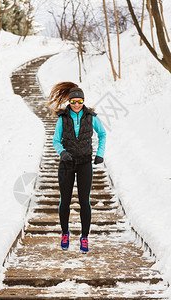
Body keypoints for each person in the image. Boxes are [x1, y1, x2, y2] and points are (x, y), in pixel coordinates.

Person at [45, 82, 106, 253]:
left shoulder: (91, 117)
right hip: (67, 164)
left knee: (84, 201)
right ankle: (65, 233)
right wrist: (61, 152)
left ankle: (84, 237)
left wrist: (100, 153)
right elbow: (55, 140)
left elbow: (102, 134)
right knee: (65, 200)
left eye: (80, 101)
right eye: (73, 102)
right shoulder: (62, 118)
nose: (77, 105)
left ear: (84, 101)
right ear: (69, 102)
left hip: (85, 163)